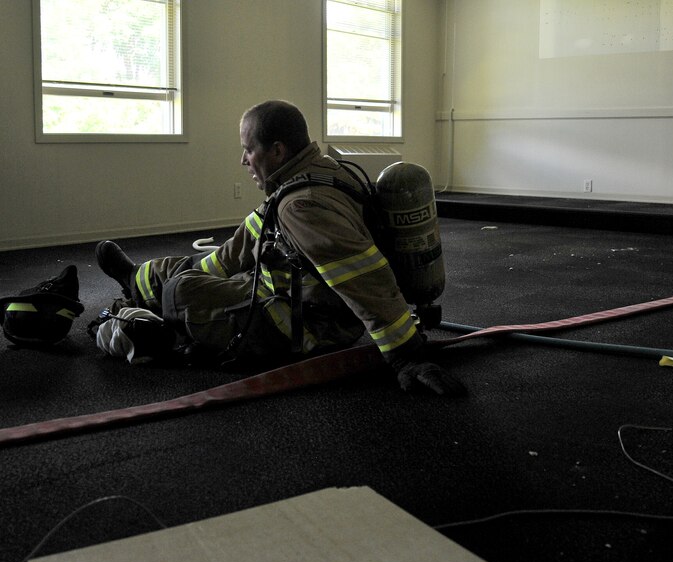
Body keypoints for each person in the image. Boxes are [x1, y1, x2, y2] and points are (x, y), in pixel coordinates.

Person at [96, 99, 464, 396]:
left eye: (248, 149)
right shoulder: (315, 173)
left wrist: (405, 356)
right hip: (286, 286)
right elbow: (235, 250)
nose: (243, 160)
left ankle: (164, 323)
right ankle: (136, 281)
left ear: (276, 150)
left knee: (180, 292)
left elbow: (364, 277)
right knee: (193, 267)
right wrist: (180, 270)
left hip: (305, 322)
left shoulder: (302, 205)